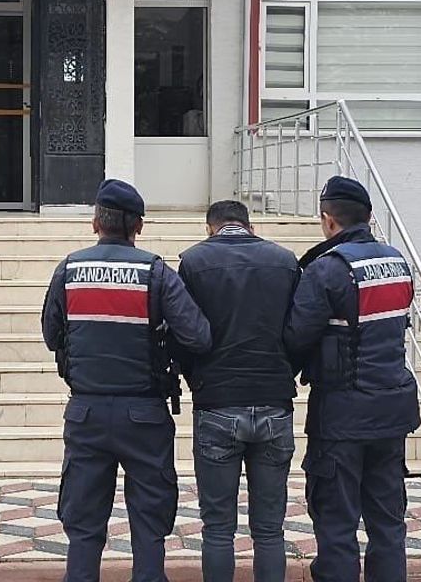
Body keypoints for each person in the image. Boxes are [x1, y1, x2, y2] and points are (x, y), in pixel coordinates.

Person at [41, 179, 212, 582]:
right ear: (139, 226)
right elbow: (199, 336)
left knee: (84, 523)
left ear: (95, 222)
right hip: (145, 414)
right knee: (150, 522)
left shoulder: (69, 270)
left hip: (86, 413)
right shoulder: (156, 272)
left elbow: (51, 335)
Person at [284, 176, 420, 582]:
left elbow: (296, 336)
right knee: (388, 523)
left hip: (342, 416)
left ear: (328, 220)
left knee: (336, 524)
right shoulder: (397, 262)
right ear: (369, 216)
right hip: (392, 412)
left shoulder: (328, 269)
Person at [177, 200, 301, 582]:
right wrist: (285, 372)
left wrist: (196, 381)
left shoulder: (193, 262)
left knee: (217, 529)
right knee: (270, 529)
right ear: (249, 226)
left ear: (210, 228)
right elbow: (300, 330)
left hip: (217, 402)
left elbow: (184, 334)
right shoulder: (285, 261)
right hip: (274, 402)